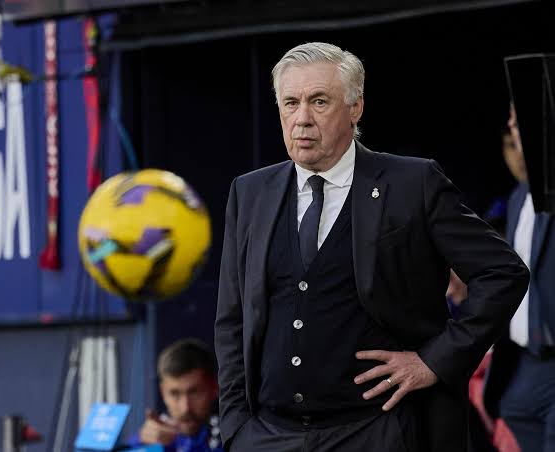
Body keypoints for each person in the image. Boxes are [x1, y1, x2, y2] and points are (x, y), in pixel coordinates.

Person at [214, 42, 529, 452]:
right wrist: (236, 427)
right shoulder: (250, 193)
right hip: (268, 436)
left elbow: (503, 273)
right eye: (290, 103)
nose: (302, 118)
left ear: (355, 107)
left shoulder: (412, 183)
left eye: (319, 101)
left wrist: (434, 360)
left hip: (376, 431)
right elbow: (232, 318)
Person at [483, 105, 555, 452]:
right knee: (515, 411)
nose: (512, 122)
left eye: (519, 113)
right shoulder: (517, 198)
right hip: (527, 363)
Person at [129, 338, 222, 452]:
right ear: (162, 391)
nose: (185, 408)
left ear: (214, 387)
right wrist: (143, 444)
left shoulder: (233, 431)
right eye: (175, 394)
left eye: (194, 393)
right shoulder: (152, 435)